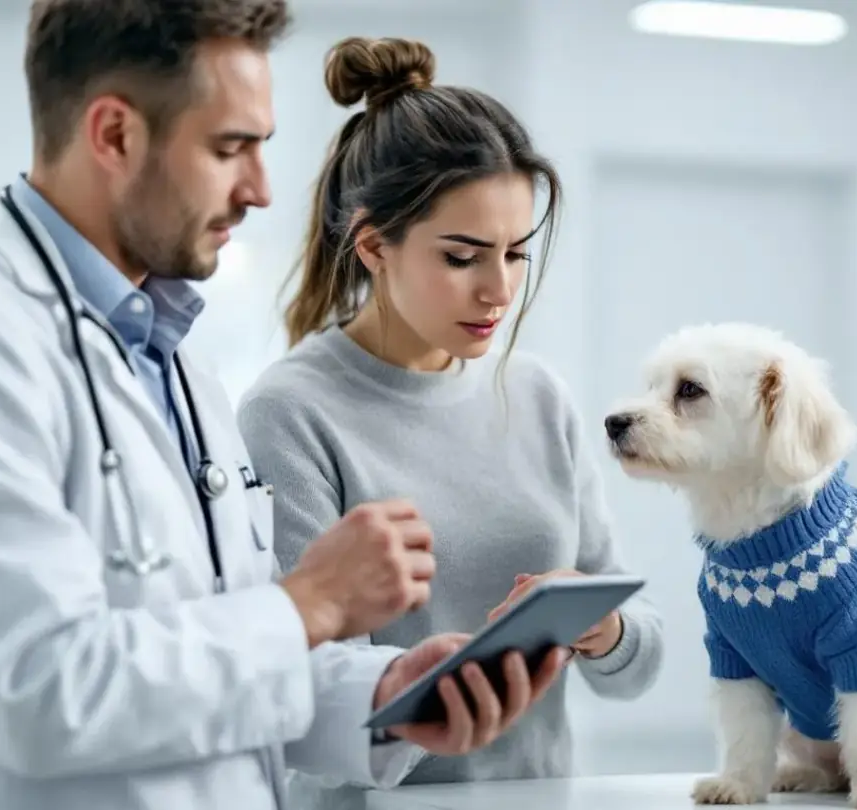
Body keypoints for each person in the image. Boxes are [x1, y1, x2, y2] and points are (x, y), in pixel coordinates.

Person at [0, 4, 568, 810]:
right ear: (113, 135)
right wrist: (309, 603)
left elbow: (231, 661)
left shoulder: (176, 360)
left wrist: (385, 695)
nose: (260, 189)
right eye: (228, 148)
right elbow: (37, 691)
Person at [235, 35, 665, 808]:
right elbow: (299, 698)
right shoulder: (290, 414)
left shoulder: (539, 396)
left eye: (515, 253)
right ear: (373, 246)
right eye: (463, 257)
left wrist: (605, 631)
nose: (498, 289)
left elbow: (639, 664)